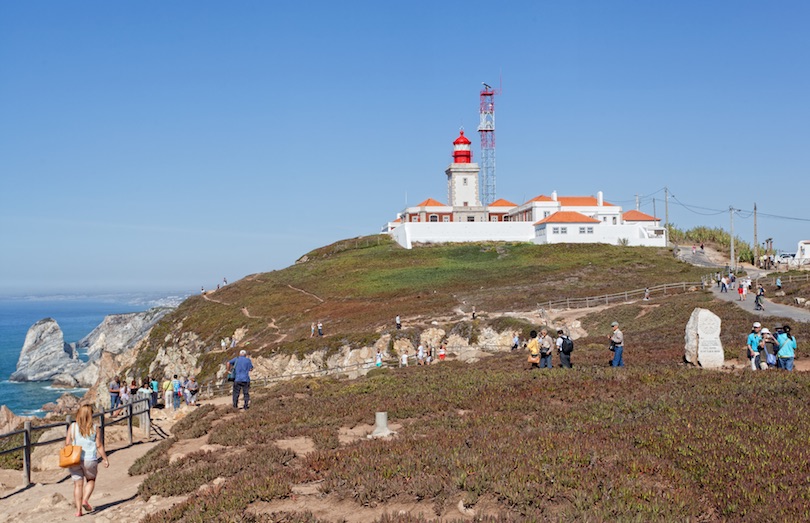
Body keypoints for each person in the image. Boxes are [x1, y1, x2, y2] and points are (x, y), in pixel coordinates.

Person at [66, 404, 109, 517]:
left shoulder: (73, 427)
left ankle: (78, 511)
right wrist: (105, 459)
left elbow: (67, 443)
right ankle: (85, 499)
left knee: (77, 485)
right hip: (90, 459)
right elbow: (99, 445)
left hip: (75, 459)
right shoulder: (95, 428)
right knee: (91, 480)